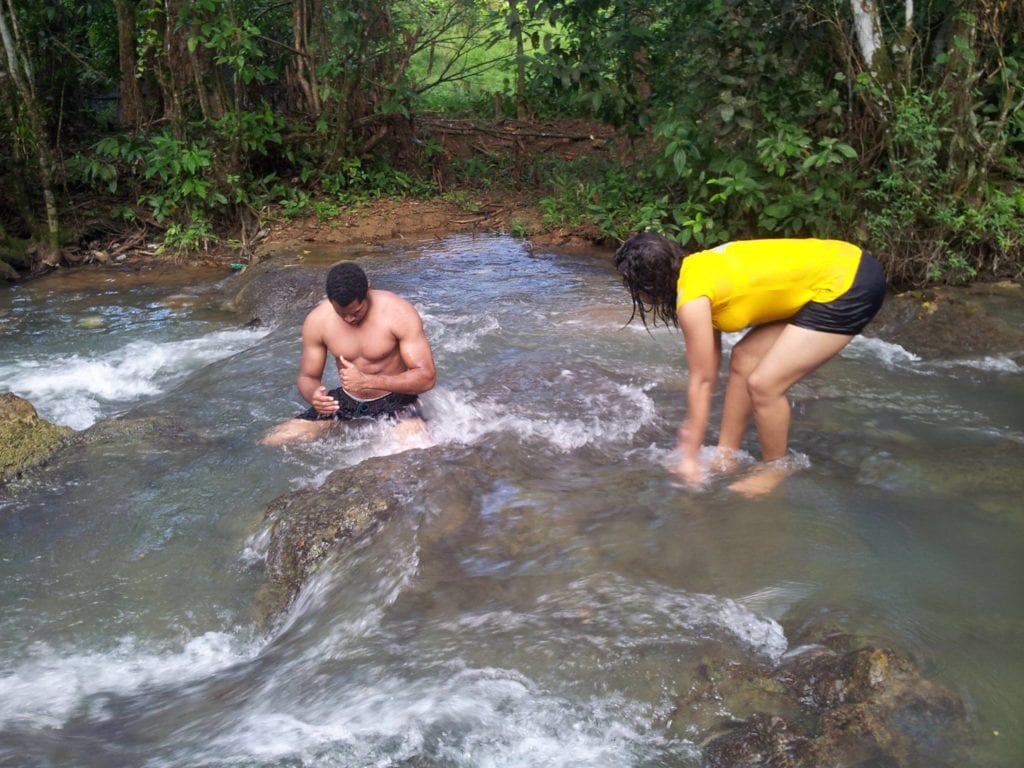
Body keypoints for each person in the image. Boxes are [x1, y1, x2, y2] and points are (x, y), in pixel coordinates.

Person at [613, 232, 886, 495]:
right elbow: (710, 363)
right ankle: (726, 454)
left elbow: (703, 380)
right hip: (839, 264)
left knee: (765, 385)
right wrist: (693, 441)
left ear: (647, 284)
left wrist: (690, 455)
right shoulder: (697, 269)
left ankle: (776, 468)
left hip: (849, 284)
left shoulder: (692, 299)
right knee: (744, 358)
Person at [261, 262, 437, 446]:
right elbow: (307, 377)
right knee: (275, 440)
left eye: (356, 312)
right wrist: (314, 396)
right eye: (341, 314)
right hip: (347, 401)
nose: (349, 319)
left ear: (368, 291)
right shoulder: (318, 321)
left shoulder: (398, 313)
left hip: (397, 399)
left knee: (414, 448)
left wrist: (368, 381)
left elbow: (426, 378)